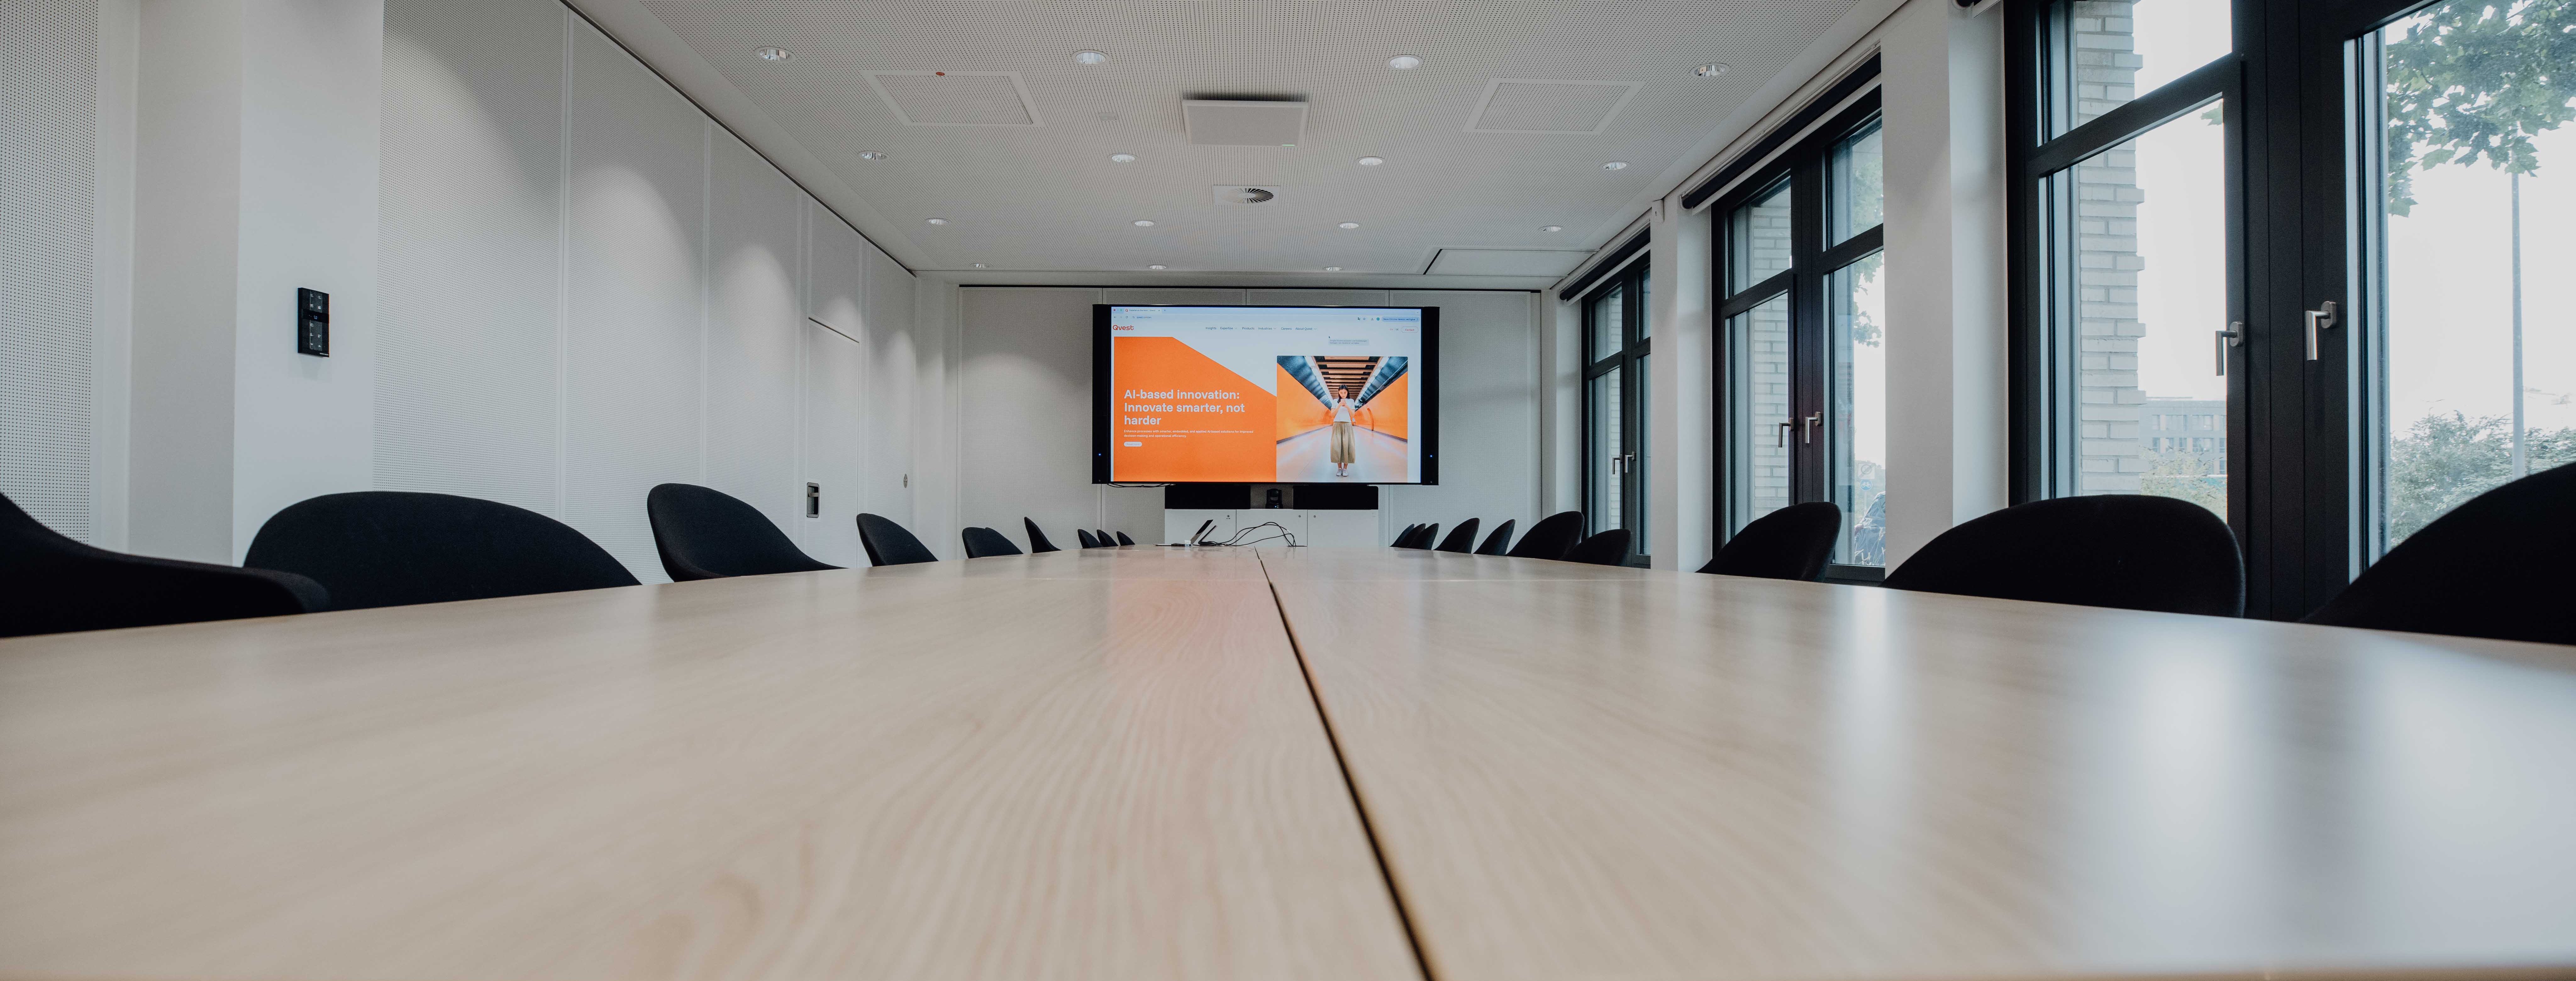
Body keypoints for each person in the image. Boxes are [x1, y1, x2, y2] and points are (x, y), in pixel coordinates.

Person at [1329, 388, 1358, 477]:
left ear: (1348, 392)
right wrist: (1339, 406)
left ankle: (1345, 468)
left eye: (1345, 392)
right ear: (1338, 392)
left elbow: (1353, 415)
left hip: (1347, 425)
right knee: (1337, 446)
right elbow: (1332, 415)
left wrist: (1348, 407)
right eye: (1341, 392)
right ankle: (1339, 468)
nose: (1343, 394)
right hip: (1337, 425)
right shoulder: (1335, 401)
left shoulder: (1351, 401)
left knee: (1347, 446)